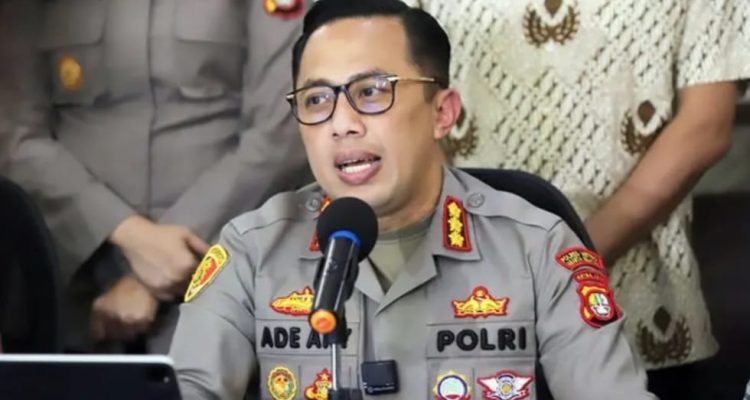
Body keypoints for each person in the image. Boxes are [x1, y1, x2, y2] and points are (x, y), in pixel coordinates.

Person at [168, 1, 657, 399]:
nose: (342, 124)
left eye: (371, 92)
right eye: (317, 100)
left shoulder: (536, 246)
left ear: (442, 113)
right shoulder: (251, 250)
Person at [405, 0, 750, 396]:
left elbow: (705, 126)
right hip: (465, 299)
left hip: (638, 304)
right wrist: (490, 262)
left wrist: (566, 265)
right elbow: (391, 93)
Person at [2, 0, 312, 353]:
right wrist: (127, 233)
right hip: (76, 284)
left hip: (227, 276)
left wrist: (167, 265)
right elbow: (15, 137)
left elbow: (283, 132)